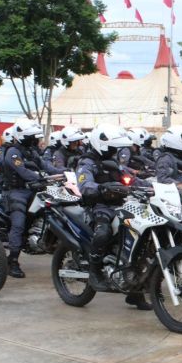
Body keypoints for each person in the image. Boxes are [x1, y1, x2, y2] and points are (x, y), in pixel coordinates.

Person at [75, 124, 151, 310]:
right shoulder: (87, 163)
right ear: (102, 145)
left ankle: (136, 293)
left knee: (142, 244)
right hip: (100, 207)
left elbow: (131, 179)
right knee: (103, 232)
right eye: (113, 148)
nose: (116, 151)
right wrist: (101, 188)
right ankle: (94, 270)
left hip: (122, 205)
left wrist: (152, 186)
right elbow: (85, 185)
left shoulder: (114, 163)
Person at [0, 119, 46, 278]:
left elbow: (45, 165)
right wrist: (40, 177)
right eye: (33, 137)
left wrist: (65, 171)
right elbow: (22, 171)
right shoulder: (13, 152)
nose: (36, 140)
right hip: (16, 192)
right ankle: (12, 261)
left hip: (33, 190)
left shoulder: (31, 151)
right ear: (24, 137)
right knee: (18, 224)